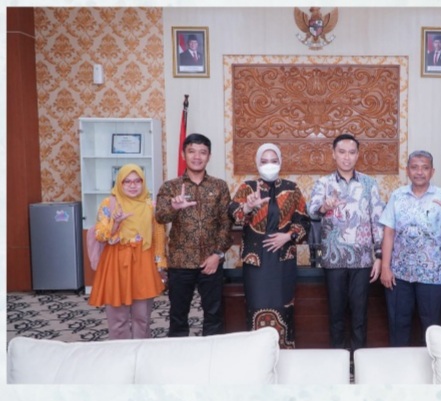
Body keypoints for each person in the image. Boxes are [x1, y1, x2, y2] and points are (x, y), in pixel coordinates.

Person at [307, 133, 385, 353]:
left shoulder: (369, 184)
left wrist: (379, 256)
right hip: (333, 260)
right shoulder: (324, 183)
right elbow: (311, 211)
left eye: (351, 152)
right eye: (342, 152)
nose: (346, 157)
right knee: (336, 315)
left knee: (360, 315)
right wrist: (324, 206)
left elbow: (377, 221)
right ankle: (338, 359)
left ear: (358, 155)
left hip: (362, 261)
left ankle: (359, 359)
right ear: (333, 154)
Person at [228, 143, 310, 348]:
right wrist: (248, 207)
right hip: (256, 261)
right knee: (256, 305)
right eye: (264, 161)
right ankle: (258, 356)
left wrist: (288, 236)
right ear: (257, 164)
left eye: (274, 161)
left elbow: (304, 222)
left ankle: (285, 353)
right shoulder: (247, 188)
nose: (269, 165)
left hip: (283, 260)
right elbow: (233, 216)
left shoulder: (292, 189)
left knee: (284, 306)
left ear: (280, 162)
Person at [379, 150, 441, 347]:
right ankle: (400, 366)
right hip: (399, 275)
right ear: (407, 170)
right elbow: (388, 233)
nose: (419, 172)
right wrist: (385, 267)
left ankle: (432, 366)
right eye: (414, 167)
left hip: (433, 275)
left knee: (431, 329)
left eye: (425, 168)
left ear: (432, 171)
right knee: (398, 327)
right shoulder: (397, 196)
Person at [155, 133, 233, 337]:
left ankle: (212, 353)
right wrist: (174, 207)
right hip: (180, 262)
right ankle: (179, 354)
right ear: (183, 154)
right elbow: (160, 217)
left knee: (214, 315)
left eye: (202, 152)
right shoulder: (170, 187)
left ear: (209, 156)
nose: (197, 157)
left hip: (211, 261)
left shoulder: (219, 186)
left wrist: (217, 254)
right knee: (178, 315)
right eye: (192, 151)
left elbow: (226, 223)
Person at [88, 164, 166, 339]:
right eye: (127, 181)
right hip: (116, 261)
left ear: (143, 183)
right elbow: (99, 235)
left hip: (143, 261)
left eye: (137, 181)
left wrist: (160, 263)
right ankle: (120, 350)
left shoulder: (150, 205)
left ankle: (141, 349)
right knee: (117, 316)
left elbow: (158, 237)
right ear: (119, 183)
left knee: (142, 316)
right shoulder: (109, 204)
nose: (133, 185)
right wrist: (115, 223)